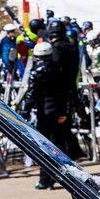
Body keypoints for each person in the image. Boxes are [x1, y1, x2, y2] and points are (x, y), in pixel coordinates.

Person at [19, 36, 81, 190]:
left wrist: (24, 112)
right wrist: (66, 112)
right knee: (60, 147)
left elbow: (31, 94)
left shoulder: (36, 71)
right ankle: (67, 178)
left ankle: (45, 180)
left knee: (43, 148)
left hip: (44, 115)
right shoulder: (60, 68)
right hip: (59, 113)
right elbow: (68, 91)